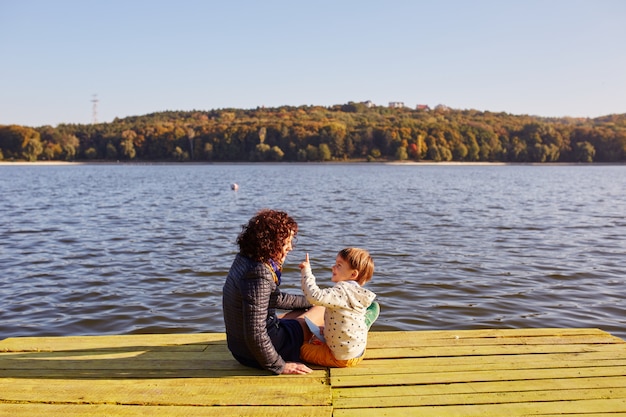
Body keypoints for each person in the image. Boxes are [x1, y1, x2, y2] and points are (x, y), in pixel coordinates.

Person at [222, 209, 325, 375]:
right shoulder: (259, 273)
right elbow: (255, 333)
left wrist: (311, 300)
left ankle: (311, 330)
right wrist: (279, 366)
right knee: (322, 309)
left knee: (308, 308)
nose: (290, 247)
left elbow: (276, 299)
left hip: (240, 349)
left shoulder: (245, 259)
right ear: (272, 242)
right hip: (256, 354)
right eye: (287, 242)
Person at [299, 248, 380, 368]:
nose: (333, 267)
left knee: (300, 349)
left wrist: (306, 272)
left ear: (353, 274)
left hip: (340, 358)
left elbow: (314, 296)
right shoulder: (358, 293)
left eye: (339, 265)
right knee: (352, 317)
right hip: (358, 351)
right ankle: (365, 320)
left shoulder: (341, 291)